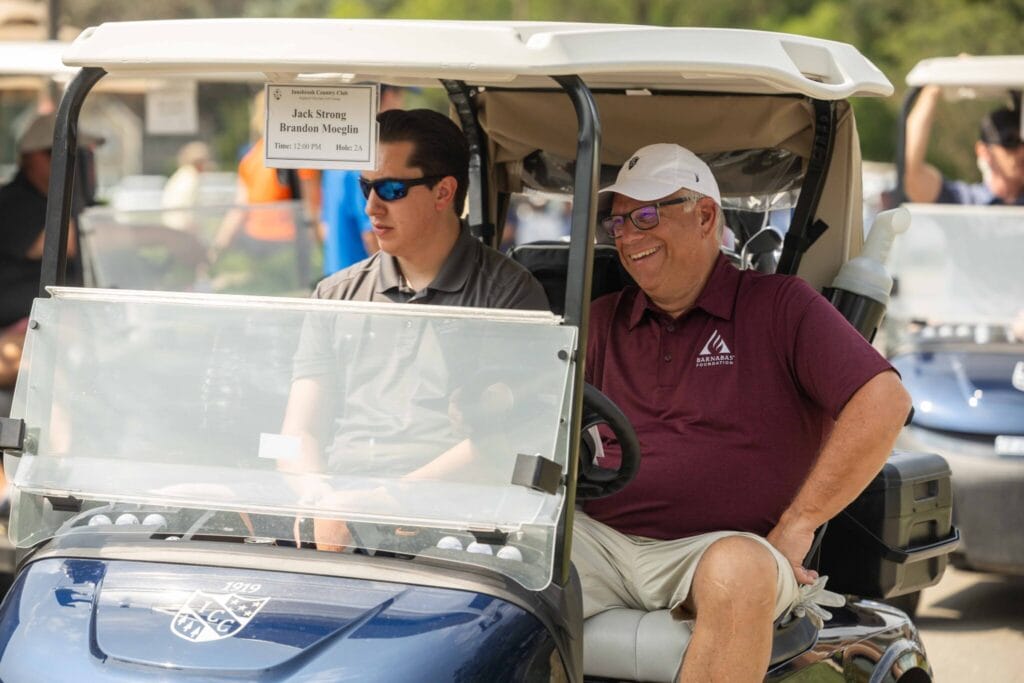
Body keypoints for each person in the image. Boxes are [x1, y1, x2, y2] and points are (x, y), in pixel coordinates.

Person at [576, 143, 911, 682]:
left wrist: (799, 523)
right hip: (602, 543)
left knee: (740, 573)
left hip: (720, 550)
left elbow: (885, 400)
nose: (629, 237)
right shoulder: (600, 319)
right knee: (494, 555)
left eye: (646, 216)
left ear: (705, 216)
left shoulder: (780, 306)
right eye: (618, 222)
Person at [279, 108, 548, 550]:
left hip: (449, 524)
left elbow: (503, 445)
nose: (371, 206)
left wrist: (383, 501)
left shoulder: (508, 296)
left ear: (444, 192)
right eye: (365, 187)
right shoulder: (336, 293)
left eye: (391, 189)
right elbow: (297, 432)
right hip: (336, 509)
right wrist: (315, 496)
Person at [318, 85, 405, 275]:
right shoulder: (366, 162)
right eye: (400, 95)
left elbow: (324, 227)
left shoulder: (336, 156)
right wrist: (393, 277)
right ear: (388, 96)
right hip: (364, 280)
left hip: (338, 276)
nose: (402, 103)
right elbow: (371, 234)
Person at [904, 85, 1024, 204]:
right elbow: (910, 173)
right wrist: (931, 91)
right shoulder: (963, 201)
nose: (1022, 150)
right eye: (1010, 141)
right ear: (984, 151)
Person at [161, 140, 211, 231]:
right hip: (182, 229)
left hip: (173, 227)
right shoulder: (191, 177)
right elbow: (188, 209)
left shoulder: (183, 174)